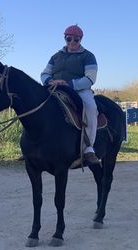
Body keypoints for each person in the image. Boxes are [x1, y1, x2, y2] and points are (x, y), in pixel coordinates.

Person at [40, 24, 100, 166]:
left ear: (80, 40)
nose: (72, 42)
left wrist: (69, 84)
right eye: (69, 39)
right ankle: (34, 145)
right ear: (65, 38)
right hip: (54, 88)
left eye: (76, 40)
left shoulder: (88, 56)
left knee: (91, 107)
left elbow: (90, 78)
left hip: (79, 89)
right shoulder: (55, 56)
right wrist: (50, 81)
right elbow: (45, 73)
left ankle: (89, 148)